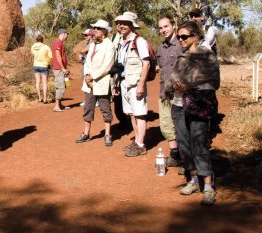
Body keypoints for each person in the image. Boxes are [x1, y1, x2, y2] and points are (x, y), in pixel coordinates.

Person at [166, 21, 221, 206]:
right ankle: (194, 180)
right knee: (185, 146)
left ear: (195, 36)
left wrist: (191, 85)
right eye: (179, 36)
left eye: (184, 36)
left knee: (199, 145)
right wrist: (173, 86)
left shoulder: (207, 57)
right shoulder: (182, 57)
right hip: (179, 106)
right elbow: (171, 79)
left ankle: (208, 186)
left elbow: (214, 82)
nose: (181, 39)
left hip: (198, 106)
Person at [113, 12, 151, 157]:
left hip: (135, 83)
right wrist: (116, 83)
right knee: (132, 114)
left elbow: (146, 63)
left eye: (124, 23)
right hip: (124, 82)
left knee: (140, 114)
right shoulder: (121, 42)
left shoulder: (139, 41)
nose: (120, 26)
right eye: (118, 23)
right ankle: (137, 141)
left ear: (131, 25)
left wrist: (141, 84)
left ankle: (141, 144)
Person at [76, 19, 115, 146]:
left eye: (98, 28)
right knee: (88, 107)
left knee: (105, 108)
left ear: (104, 31)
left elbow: (107, 66)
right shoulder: (92, 44)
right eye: (94, 28)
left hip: (102, 81)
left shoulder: (109, 45)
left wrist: (93, 76)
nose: (95, 30)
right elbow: (87, 62)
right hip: (89, 82)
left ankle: (108, 134)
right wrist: (87, 75)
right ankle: (86, 133)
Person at [155, 15, 184, 172]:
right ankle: (175, 155)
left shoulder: (181, 45)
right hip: (164, 92)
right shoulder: (160, 48)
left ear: (173, 26)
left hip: (180, 93)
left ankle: (187, 159)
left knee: (181, 125)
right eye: (160, 28)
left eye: (166, 26)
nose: (163, 30)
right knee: (166, 125)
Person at [51, 28, 70, 112]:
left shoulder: (60, 43)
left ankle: (60, 104)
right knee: (60, 86)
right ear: (63, 34)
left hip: (61, 68)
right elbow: (58, 56)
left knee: (63, 85)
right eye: (66, 34)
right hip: (59, 68)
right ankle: (56, 106)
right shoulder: (57, 43)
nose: (67, 36)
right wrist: (62, 67)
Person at [31, 35, 52, 104]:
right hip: (44, 66)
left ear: (36, 40)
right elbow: (50, 56)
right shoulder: (46, 47)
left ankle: (40, 98)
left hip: (36, 65)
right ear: (42, 40)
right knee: (44, 83)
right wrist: (47, 62)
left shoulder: (33, 47)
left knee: (37, 82)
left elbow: (32, 54)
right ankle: (45, 99)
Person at [76, 29, 95, 107]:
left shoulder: (93, 43)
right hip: (85, 64)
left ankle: (94, 100)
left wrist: (80, 53)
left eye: (86, 35)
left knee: (90, 82)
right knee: (86, 83)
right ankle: (88, 100)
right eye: (84, 35)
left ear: (91, 35)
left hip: (91, 66)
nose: (85, 37)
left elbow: (82, 51)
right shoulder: (87, 43)